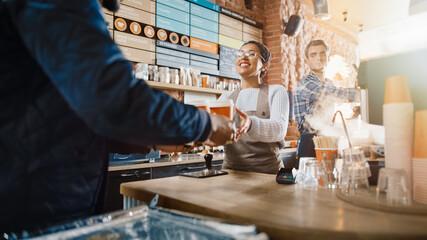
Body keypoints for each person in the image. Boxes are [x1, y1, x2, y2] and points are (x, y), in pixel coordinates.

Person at [0, 0, 235, 234]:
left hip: (38, 196)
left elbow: (69, 115)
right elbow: (112, 98)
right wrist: (206, 124)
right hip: (34, 205)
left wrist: (150, 140)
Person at [218, 41, 289, 174]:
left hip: (268, 173)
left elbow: (279, 129)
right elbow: (217, 133)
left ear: (264, 65)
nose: (243, 57)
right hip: (232, 173)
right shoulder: (225, 98)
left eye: (251, 54)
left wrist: (250, 123)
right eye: (240, 54)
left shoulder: (276, 91)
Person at [293, 39, 358, 161]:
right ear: (307, 61)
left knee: (328, 176)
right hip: (310, 140)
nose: (319, 58)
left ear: (328, 58)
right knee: (309, 178)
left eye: (322, 53)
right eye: (313, 55)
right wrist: (361, 93)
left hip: (326, 137)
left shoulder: (329, 83)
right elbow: (331, 94)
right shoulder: (306, 83)